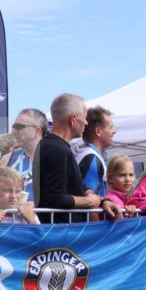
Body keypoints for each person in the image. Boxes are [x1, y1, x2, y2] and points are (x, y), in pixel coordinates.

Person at [34, 93, 122, 223]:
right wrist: (87, 201)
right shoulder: (57, 149)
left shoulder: (53, 145)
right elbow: (54, 198)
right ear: (73, 119)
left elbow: (73, 188)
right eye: (84, 118)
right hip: (63, 234)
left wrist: (102, 201)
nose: (86, 123)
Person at [2, 108, 47, 201]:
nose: (14, 131)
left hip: (43, 215)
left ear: (37, 131)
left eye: (19, 127)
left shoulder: (55, 158)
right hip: (13, 215)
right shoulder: (7, 159)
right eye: (13, 126)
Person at [76, 106, 114, 196]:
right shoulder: (92, 157)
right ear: (98, 131)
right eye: (111, 127)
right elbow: (91, 202)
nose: (114, 131)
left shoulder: (81, 151)